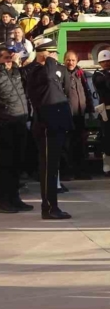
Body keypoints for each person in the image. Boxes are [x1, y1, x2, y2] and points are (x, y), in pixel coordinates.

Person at [24, 39, 73, 219]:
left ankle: (53, 206)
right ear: (43, 53)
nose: (55, 58)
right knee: (47, 169)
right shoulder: (36, 72)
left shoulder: (50, 71)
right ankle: (49, 207)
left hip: (56, 125)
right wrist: (49, 61)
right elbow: (48, 77)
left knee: (53, 168)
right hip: (46, 126)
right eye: (52, 54)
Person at [0, 46, 32, 213]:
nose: (8, 61)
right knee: (5, 165)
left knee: (17, 164)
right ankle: (4, 200)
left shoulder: (14, 73)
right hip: (5, 125)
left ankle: (14, 198)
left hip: (20, 122)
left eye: (9, 57)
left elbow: (23, 77)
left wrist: (15, 64)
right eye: (4, 58)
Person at [62, 51, 94, 180]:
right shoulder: (61, 74)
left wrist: (90, 109)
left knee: (80, 144)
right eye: (68, 60)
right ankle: (65, 172)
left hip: (80, 114)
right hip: (66, 115)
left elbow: (87, 91)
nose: (70, 62)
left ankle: (80, 171)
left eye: (73, 60)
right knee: (66, 145)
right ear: (64, 60)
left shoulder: (80, 74)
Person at [92, 49, 110, 178]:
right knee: (108, 139)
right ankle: (108, 166)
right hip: (106, 111)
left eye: (109, 61)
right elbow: (103, 84)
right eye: (103, 62)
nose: (107, 64)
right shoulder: (98, 75)